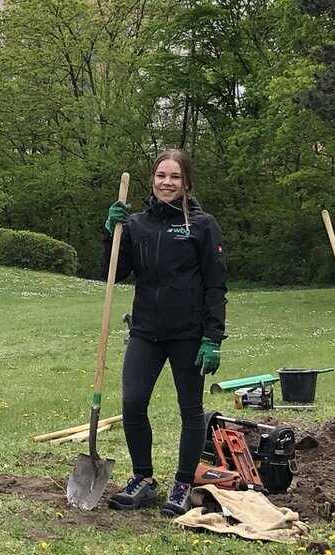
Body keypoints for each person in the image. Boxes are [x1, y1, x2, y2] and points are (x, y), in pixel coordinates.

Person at [100, 149, 227, 516]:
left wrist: (212, 337)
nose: (166, 183)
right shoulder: (137, 224)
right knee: (132, 403)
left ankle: (183, 484)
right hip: (145, 332)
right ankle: (144, 479)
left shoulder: (201, 225)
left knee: (190, 410)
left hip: (188, 333)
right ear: (151, 180)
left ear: (186, 183)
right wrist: (112, 232)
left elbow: (216, 285)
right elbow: (115, 271)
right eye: (160, 176)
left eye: (174, 177)